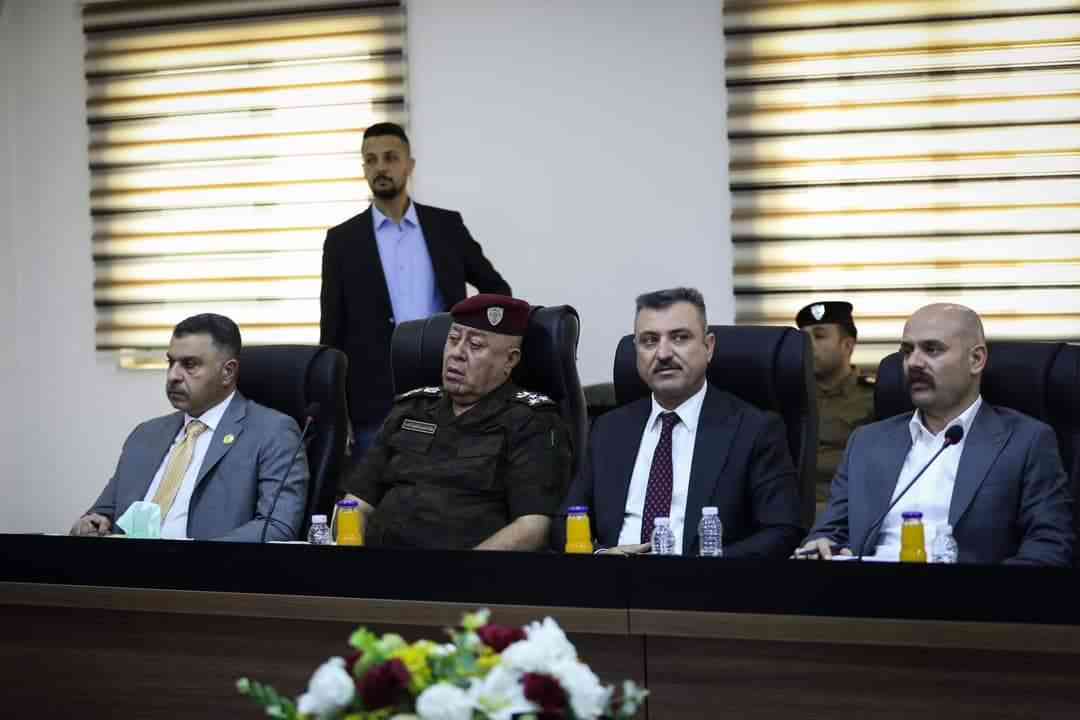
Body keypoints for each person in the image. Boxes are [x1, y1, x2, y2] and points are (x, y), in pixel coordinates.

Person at [796, 303, 1073, 565]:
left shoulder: (1026, 440)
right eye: (907, 351)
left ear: (976, 360)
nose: (913, 362)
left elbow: (1049, 544)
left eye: (932, 349)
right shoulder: (867, 442)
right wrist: (821, 545)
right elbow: (830, 531)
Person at [558, 288, 803, 557]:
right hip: (613, 578)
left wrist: (698, 569)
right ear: (637, 351)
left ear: (708, 347)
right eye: (649, 341)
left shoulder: (753, 429)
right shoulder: (608, 429)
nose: (663, 353)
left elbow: (782, 530)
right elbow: (566, 523)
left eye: (679, 338)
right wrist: (602, 555)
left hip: (709, 580)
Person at [319, 122, 511, 457]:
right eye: (371, 160)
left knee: (449, 481)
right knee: (378, 487)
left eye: (390, 157)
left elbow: (497, 292)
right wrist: (337, 410)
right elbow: (332, 332)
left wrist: (478, 349)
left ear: (409, 165)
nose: (381, 167)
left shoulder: (446, 226)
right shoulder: (342, 241)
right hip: (373, 401)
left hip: (448, 387)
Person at [342, 294, 572, 550]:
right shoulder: (411, 409)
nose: (457, 353)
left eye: (475, 345)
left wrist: (463, 570)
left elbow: (532, 527)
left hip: (469, 569)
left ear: (510, 360)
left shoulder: (531, 421)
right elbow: (355, 504)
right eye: (452, 340)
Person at [70, 314, 309, 541]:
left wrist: (196, 558)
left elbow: (277, 527)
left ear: (227, 372)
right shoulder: (146, 434)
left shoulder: (272, 433)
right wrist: (92, 523)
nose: (173, 375)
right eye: (171, 362)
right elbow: (103, 512)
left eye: (190, 364)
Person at [796, 301, 874, 507]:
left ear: (847, 345)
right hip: (792, 508)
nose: (807, 345)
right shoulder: (790, 397)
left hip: (848, 509)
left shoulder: (874, 398)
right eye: (803, 338)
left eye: (819, 336)